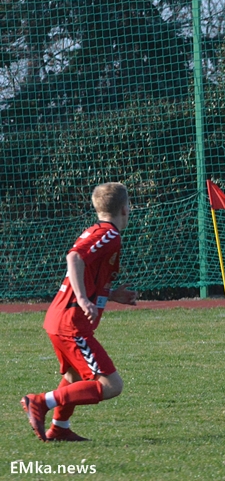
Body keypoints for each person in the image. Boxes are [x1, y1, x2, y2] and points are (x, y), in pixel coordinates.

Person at [21, 182, 137, 442]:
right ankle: (39, 402)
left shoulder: (97, 230)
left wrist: (112, 294)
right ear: (124, 208)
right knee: (111, 386)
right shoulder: (110, 235)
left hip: (59, 319)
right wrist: (84, 300)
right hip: (71, 323)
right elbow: (74, 258)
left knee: (73, 377)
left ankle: (60, 427)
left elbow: (85, 270)